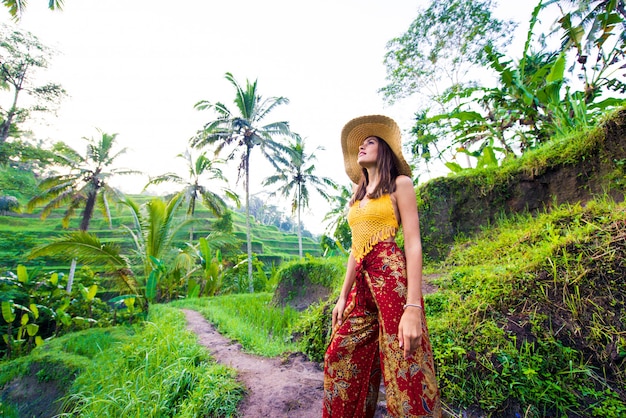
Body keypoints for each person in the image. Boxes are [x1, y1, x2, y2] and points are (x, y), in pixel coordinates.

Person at [323, 115, 441, 417]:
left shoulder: (400, 184)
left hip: (391, 277)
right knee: (340, 355)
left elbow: (413, 244)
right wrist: (342, 296)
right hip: (361, 284)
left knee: (405, 362)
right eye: (360, 144)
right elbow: (355, 247)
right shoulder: (357, 194)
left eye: (370, 141)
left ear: (384, 149)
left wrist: (413, 307)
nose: (361, 146)